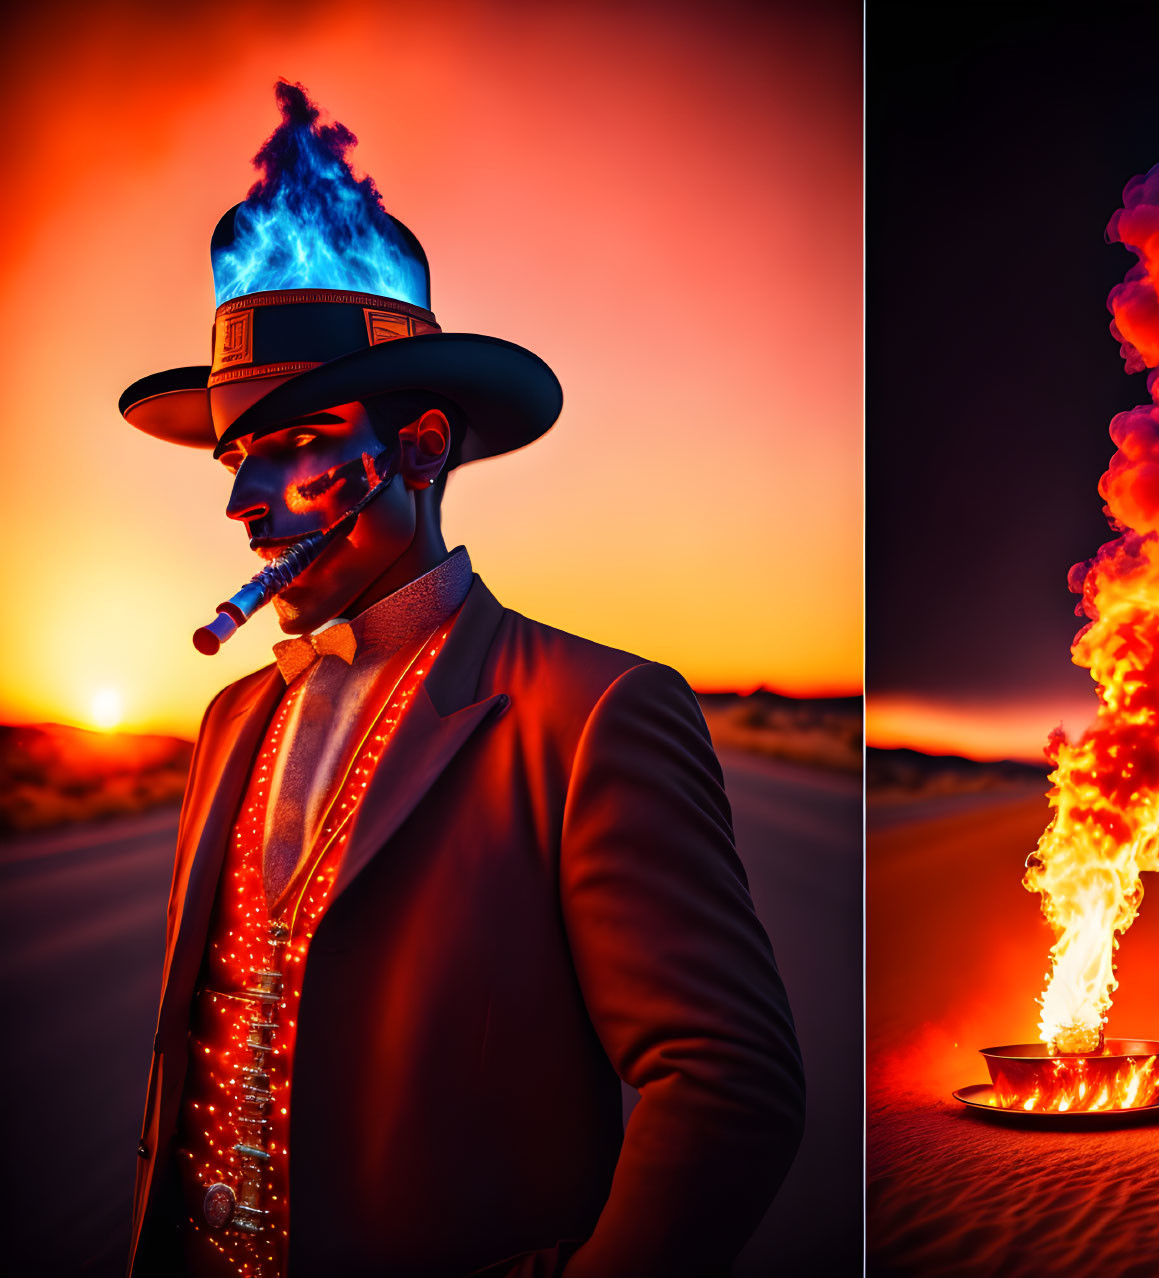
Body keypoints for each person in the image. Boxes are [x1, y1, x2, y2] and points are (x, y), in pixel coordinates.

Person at [119, 83, 803, 1277]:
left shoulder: (595, 712)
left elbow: (726, 1086)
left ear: (421, 449)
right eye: (237, 458)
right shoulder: (232, 717)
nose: (240, 504)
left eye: (294, 447)